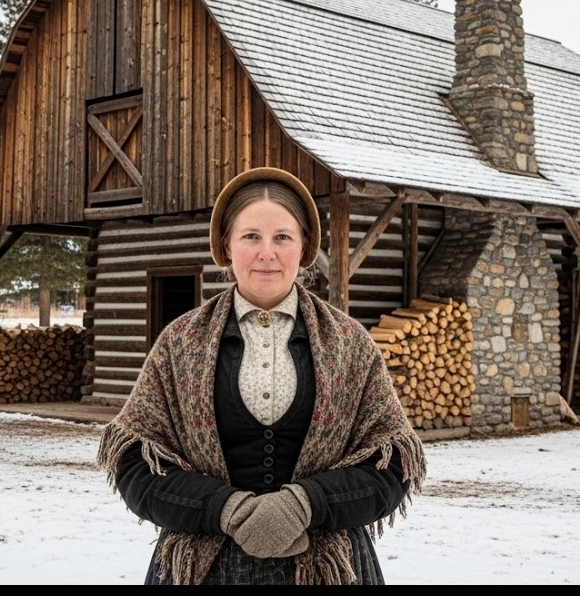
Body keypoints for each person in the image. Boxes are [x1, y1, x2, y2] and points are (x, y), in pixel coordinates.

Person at [97, 166, 427, 585]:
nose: (266, 252)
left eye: (282, 237)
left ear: (304, 248)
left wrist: (307, 504)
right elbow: (135, 464)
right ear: (226, 246)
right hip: (202, 571)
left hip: (328, 569)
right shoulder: (179, 343)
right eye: (251, 236)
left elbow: (392, 463)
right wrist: (224, 509)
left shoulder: (350, 344)